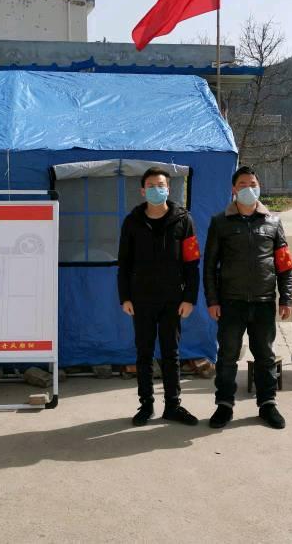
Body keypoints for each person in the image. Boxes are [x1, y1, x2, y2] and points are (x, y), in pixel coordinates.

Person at [203, 166, 292, 430]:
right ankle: (224, 404)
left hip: (263, 302)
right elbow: (209, 266)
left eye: (252, 184)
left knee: (265, 356)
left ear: (259, 188)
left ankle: (267, 404)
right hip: (230, 302)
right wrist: (212, 300)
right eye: (242, 184)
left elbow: (284, 265)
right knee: (227, 356)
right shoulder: (220, 222)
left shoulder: (273, 222)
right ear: (234, 189)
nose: (248, 188)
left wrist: (286, 298)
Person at [118, 166, 201, 426]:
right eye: (151, 186)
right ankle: (146, 405)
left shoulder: (184, 220)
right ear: (143, 191)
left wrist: (189, 298)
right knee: (144, 353)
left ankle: (173, 406)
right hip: (141, 300)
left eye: (161, 185)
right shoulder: (132, 222)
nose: (157, 190)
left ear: (169, 188)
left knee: (171, 353)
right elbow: (124, 263)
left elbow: (192, 263)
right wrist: (125, 297)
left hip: (172, 300)